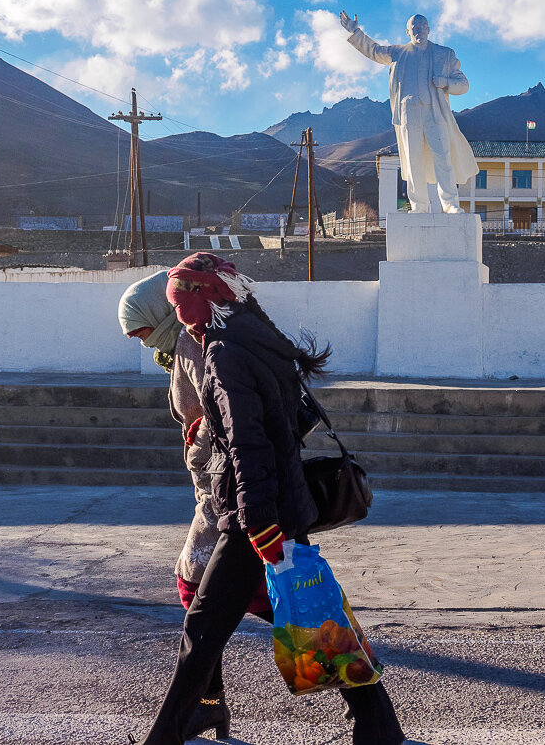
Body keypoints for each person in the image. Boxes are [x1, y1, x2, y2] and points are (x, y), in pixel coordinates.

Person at [134, 252, 405, 745]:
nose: (175, 315)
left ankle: (166, 737)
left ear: (198, 302)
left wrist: (257, 521)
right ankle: (379, 727)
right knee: (312, 619)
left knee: (205, 630)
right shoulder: (257, 335)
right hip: (279, 503)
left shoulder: (223, 352)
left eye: (178, 305)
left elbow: (247, 442)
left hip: (255, 515)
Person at [118, 271, 270, 741]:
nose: (140, 341)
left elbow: (227, 414)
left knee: (204, 594)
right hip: (225, 490)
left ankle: (197, 711)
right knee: (237, 598)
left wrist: (202, 438)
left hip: (229, 493)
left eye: (140, 329)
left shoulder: (198, 344)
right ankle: (206, 706)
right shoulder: (189, 343)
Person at [340, 10, 478, 214]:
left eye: (422, 26)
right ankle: (419, 205)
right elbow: (374, 50)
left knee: (443, 158)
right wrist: (355, 32)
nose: (418, 30)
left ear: (429, 29)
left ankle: (450, 204)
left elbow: (463, 84)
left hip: (434, 112)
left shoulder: (445, 54)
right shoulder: (397, 53)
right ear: (407, 31)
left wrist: (446, 83)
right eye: (414, 27)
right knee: (413, 161)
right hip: (408, 113)